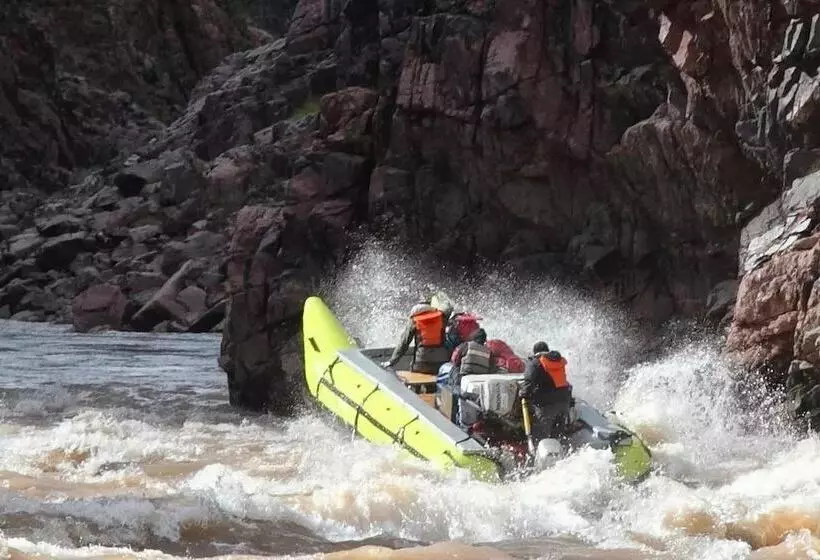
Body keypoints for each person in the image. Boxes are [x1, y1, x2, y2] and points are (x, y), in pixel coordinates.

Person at [519, 341, 572, 440]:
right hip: (564, 404)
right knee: (557, 436)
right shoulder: (558, 361)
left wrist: (523, 394)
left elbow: (529, 381)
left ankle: (536, 454)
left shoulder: (535, 362)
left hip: (546, 406)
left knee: (540, 437)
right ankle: (562, 454)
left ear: (535, 352)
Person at [382, 299, 451, 374]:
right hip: (441, 362)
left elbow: (404, 343)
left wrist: (392, 361)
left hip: (421, 362)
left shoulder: (414, 320)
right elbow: (449, 309)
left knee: (414, 371)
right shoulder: (441, 317)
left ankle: (416, 386)